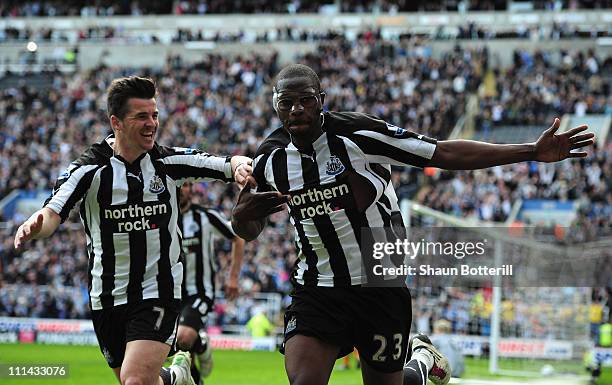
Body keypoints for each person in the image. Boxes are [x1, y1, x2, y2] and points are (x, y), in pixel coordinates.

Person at [230, 63, 595, 385]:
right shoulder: (269, 160)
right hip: (317, 287)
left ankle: (421, 364)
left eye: (306, 99)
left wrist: (530, 150)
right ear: (276, 107)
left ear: (321, 99)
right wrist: (241, 218)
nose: (297, 109)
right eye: (286, 102)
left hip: (379, 284)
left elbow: (443, 152)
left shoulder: (359, 136)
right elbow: (249, 227)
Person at [13, 76, 252, 385]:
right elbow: (51, 212)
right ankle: (176, 378)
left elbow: (220, 163)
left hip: (158, 290)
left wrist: (239, 166)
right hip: (106, 297)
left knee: (135, 381)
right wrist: (36, 226)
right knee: (142, 381)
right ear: (117, 122)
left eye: (154, 115)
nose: (152, 123)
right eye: (141, 116)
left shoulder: (166, 162)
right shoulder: (89, 169)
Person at [176, 182, 245, 385]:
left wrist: (232, 277)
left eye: (186, 185)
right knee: (174, 347)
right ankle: (199, 360)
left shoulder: (205, 216)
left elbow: (237, 238)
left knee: (184, 338)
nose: (181, 189)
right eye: (178, 185)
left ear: (192, 189)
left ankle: (197, 341)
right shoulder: (162, 218)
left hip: (199, 291)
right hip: (169, 293)